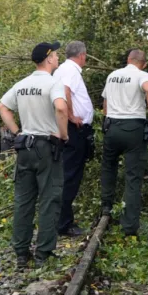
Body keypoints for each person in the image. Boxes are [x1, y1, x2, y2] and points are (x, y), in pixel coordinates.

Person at [0, 41, 69, 269]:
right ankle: (43, 254)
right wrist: (63, 134)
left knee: (24, 200)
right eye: (56, 55)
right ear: (48, 59)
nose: (58, 58)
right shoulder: (54, 83)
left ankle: (21, 253)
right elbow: (60, 107)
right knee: (49, 199)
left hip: (25, 147)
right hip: (46, 147)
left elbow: (2, 107)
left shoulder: (22, 84)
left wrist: (17, 131)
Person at [100, 49, 148, 237]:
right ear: (144, 63)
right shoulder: (142, 75)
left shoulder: (113, 76)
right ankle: (129, 226)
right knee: (133, 176)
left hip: (112, 126)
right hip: (133, 127)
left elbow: (105, 102)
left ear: (128, 60)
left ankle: (106, 207)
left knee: (109, 167)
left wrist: (109, 118)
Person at [54, 41, 95, 237]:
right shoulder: (70, 70)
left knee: (69, 174)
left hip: (75, 128)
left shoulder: (65, 69)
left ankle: (63, 219)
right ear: (82, 55)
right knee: (70, 176)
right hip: (74, 129)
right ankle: (64, 223)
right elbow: (65, 91)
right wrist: (71, 115)